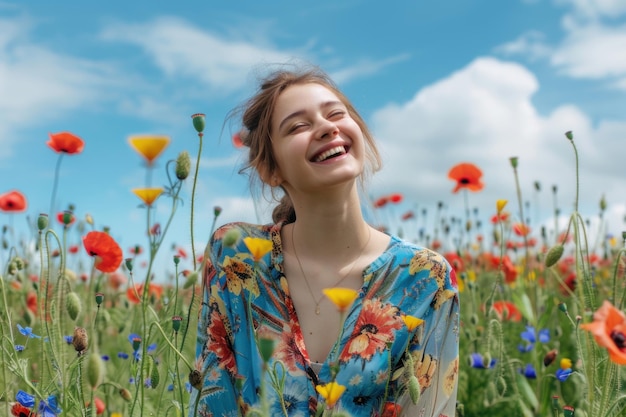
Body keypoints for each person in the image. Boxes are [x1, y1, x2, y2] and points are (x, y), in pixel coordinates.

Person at [189, 64, 459, 417]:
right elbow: (212, 400)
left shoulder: (424, 278)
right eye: (298, 126)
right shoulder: (236, 258)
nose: (327, 128)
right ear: (272, 170)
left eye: (336, 114)